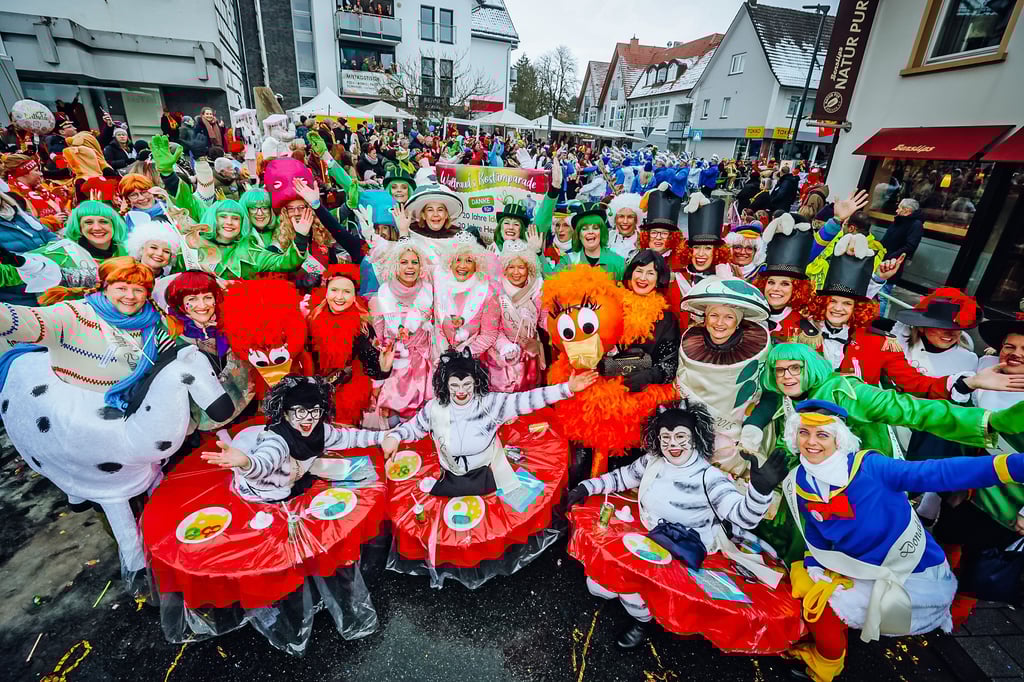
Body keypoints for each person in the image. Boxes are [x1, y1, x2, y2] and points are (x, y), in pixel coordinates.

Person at [780, 399, 1024, 682]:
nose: (811, 442)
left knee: (820, 604)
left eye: (822, 434)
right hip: (858, 568)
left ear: (839, 438)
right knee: (802, 582)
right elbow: (815, 531)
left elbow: (939, 472)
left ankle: (827, 666)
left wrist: (1014, 466)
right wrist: (815, 561)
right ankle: (832, 648)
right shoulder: (800, 479)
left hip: (913, 574)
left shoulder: (871, 467)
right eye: (804, 433)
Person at [565, 403, 787, 648]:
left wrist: (760, 492)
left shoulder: (709, 477)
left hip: (686, 551)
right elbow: (623, 477)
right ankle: (638, 604)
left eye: (680, 436)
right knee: (598, 585)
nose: (672, 444)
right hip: (648, 535)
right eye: (665, 437)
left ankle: (642, 620)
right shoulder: (654, 460)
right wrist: (587, 487)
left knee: (634, 594)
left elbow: (743, 517)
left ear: (695, 437)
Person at [381, 348, 598, 497]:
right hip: (448, 476)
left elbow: (528, 399)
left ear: (476, 382)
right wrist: (394, 436)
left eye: (467, 384)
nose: (461, 391)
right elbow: (413, 428)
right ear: (445, 385)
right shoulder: (434, 408)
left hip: (490, 474)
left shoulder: (491, 403)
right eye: (454, 385)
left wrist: (567, 389)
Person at [0, 257, 175, 405]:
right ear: (105, 289)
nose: (130, 296)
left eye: (138, 290)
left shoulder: (153, 322)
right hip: (75, 414)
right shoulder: (73, 313)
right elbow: (23, 320)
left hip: (133, 411)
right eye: (121, 288)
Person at [201, 376, 387, 502]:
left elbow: (351, 438)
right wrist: (246, 463)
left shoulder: (320, 430)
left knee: (363, 473)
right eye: (300, 411)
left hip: (298, 470)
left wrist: (385, 437)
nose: (309, 418)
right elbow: (265, 461)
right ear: (285, 414)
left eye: (314, 411)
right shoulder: (276, 441)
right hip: (267, 486)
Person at [674, 276, 772, 476]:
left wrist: (754, 427)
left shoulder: (764, 348)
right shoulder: (688, 341)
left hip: (739, 442)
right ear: (705, 317)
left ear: (738, 321)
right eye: (714, 315)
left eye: (728, 317)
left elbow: (770, 392)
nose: (719, 323)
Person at [164, 270, 253, 429]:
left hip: (246, 407)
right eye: (192, 299)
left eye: (207, 297)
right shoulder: (172, 334)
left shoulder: (231, 322)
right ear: (180, 304)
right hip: (205, 421)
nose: (202, 305)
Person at [308, 264, 393, 425]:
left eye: (347, 292)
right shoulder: (312, 320)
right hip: (315, 390)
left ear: (354, 296)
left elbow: (373, 368)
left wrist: (384, 368)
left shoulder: (362, 327)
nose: (339, 297)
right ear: (326, 292)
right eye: (334, 290)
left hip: (347, 392)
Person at [0, 200, 129, 298]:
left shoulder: (127, 252)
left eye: (103, 221)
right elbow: (12, 271)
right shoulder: (61, 252)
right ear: (79, 227)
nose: (96, 228)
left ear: (114, 225)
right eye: (88, 222)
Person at [368, 237, 434, 422]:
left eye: (414, 262)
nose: (410, 267)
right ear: (395, 265)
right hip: (395, 364)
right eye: (404, 262)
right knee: (393, 416)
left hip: (422, 361)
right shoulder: (383, 292)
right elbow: (379, 329)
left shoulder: (429, 290)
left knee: (422, 415)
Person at [603, 249, 681, 392]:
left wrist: (649, 376)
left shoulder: (667, 318)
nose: (643, 278)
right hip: (608, 389)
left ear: (658, 280)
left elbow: (671, 363)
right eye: (639, 271)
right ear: (631, 273)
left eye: (650, 273)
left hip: (647, 392)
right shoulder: (612, 307)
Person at [484, 240, 545, 393]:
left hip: (530, 354)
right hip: (503, 358)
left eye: (521, 267)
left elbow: (544, 318)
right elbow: (491, 330)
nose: (516, 272)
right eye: (511, 267)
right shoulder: (495, 290)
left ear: (529, 268)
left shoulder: (537, 288)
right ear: (504, 268)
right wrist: (505, 346)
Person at [432, 231, 500, 360]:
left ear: (477, 265)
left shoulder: (488, 292)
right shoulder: (438, 283)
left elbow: (489, 335)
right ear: (450, 262)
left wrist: (463, 355)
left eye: (469, 260)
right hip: (438, 358)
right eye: (457, 260)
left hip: (470, 361)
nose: (462, 266)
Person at [755, 213, 815, 342]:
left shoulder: (804, 332)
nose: (775, 288)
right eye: (771, 282)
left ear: (797, 289)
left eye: (785, 284)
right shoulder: (749, 317)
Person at [0, 189, 57, 305]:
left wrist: (53, 261)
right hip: (19, 302)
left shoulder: (22, 216)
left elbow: (52, 237)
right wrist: (33, 268)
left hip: (53, 290)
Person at [877, 198, 924, 315]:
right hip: (883, 258)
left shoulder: (915, 225)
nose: (897, 210)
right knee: (876, 290)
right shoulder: (899, 220)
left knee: (883, 293)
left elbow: (910, 246)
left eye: (899, 208)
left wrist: (892, 256)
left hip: (893, 263)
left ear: (907, 210)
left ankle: (878, 321)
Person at [2, 154, 72, 231]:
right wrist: (52, 221)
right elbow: (24, 225)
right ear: (23, 173)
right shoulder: (13, 195)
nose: (41, 174)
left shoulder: (39, 188)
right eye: (36, 170)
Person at [557, 202, 626, 280]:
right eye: (584, 229)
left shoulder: (618, 262)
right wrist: (539, 253)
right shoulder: (568, 260)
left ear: (602, 232)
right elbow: (550, 282)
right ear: (579, 235)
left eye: (595, 228)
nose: (590, 232)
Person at [606, 193, 645, 260]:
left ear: (636, 220)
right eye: (621, 216)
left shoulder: (643, 241)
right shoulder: (607, 237)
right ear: (615, 219)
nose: (625, 221)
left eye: (630, 217)